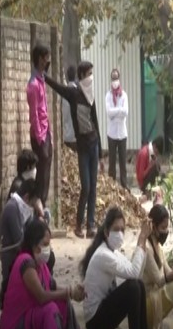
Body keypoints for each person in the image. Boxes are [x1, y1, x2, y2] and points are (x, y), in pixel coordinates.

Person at [0, 219, 106, 329]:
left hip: (30, 320)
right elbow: (41, 297)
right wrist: (69, 292)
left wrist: (74, 291)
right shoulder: (25, 262)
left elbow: (54, 289)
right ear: (34, 244)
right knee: (50, 310)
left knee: (63, 304)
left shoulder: (41, 266)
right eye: (45, 244)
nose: (48, 248)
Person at [80, 207, 165, 329]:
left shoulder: (113, 253)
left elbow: (136, 274)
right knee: (133, 287)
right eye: (116, 229)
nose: (119, 233)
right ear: (106, 232)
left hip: (104, 313)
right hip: (95, 322)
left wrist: (143, 243)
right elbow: (133, 273)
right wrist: (141, 240)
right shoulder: (103, 255)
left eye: (122, 229)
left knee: (137, 285)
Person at [45, 61, 104, 238]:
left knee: (93, 186)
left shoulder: (90, 95)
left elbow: (96, 122)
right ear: (81, 75)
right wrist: (44, 76)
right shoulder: (74, 93)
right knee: (85, 186)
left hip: (93, 145)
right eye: (88, 74)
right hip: (83, 148)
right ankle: (79, 224)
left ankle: (90, 225)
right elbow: (58, 87)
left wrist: (101, 153)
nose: (91, 78)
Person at [0, 178, 49, 309]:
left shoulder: (24, 207)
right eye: (32, 202)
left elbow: (33, 230)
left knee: (48, 259)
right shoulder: (12, 208)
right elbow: (19, 239)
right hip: (12, 256)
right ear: (26, 197)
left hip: (22, 252)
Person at [27, 42, 53, 206]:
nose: (47, 62)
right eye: (45, 59)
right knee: (41, 173)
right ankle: (37, 205)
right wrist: (40, 136)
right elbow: (34, 113)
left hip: (46, 131)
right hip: (40, 134)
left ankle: (43, 204)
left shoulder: (41, 80)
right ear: (39, 59)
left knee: (46, 171)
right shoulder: (33, 85)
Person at [7, 149, 49, 224]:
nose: (35, 170)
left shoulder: (27, 183)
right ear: (27, 168)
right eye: (34, 167)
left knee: (46, 214)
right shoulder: (18, 185)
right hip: (20, 223)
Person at [105, 68, 128, 189]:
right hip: (112, 134)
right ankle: (111, 185)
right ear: (111, 79)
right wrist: (119, 111)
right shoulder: (108, 95)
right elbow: (109, 113)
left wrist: (116, 112)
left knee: (123, 163)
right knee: (112, 163)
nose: (115, 81)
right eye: (113, 78)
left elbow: (126, 112)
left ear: (119, 79)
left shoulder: (124, 95)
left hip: (122, 134)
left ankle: (124, 185)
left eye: (116, 78)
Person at [62, 65, 78, 151]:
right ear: (75, 76)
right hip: (76, 135)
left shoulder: (64, 93)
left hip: (66, 134)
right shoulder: (78, 92)